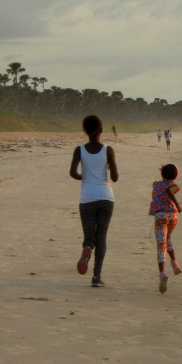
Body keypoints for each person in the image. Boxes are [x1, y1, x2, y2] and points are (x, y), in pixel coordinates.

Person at [69, 114, 119, 288]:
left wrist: (85, 177)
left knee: (89, 235)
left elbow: (73, 173)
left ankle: (88, 248)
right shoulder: (108, 150)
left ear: (85, 131)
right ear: (101, 130)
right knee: (102, 236)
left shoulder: (79, 150)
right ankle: (97, 277)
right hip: (105, 196)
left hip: (87, 197)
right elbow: (115, 177)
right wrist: (108, 171)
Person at [149, 163, 182, 293]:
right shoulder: (175, 186)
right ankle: (174, 263)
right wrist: (177, 206)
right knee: (168, 238)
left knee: (160, 244)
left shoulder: (155, 184)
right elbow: (170, 190)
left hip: (160, 217)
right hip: (172, 216)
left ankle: (162, 273)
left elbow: (166, 190)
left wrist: (178, 205)